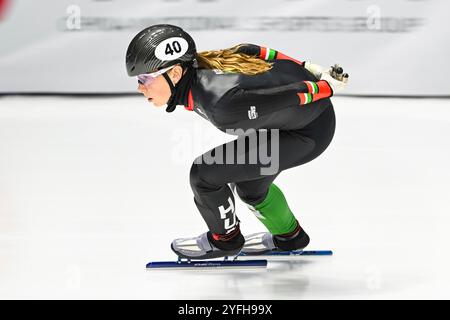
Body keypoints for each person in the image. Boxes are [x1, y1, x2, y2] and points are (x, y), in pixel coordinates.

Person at [125, 24, 348, 260]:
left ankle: (225, 241)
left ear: (176, 73)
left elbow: (287, 95)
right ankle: (290, 237)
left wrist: (326, 87)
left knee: (204, 176)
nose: (140, 87)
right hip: (295, 123)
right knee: (250, 188)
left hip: (308, 133)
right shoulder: (207, 65)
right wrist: (304, 67)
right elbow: (253, 51)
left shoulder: (221, 105)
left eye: (144, 78)